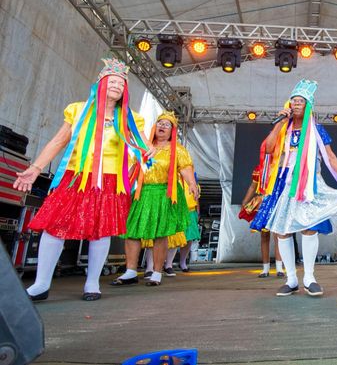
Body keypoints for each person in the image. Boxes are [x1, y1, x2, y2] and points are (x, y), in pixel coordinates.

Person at [13, 58, 151, 301]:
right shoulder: (77, 110)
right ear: (100, 83)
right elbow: (58, 141)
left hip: (110, 181)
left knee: (101, 230)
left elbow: (143, 145)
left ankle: (92, 283)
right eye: (113, 81)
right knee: (55, 225)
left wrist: (147, 150)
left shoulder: (131, 118)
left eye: (122, 83)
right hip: (75, 177)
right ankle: (41, 284)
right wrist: (35, 168)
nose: (118, 86)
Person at [250, 79, 337, 297]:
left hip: (309, 182)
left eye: (301, 101)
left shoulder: (317, 129)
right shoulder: (284, 128)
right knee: (282, 230)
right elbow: (269, 149)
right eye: (293, 101)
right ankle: (291, 280)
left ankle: (309, 278)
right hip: (283, 182)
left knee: (309, 227)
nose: (296, 104)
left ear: (309, 105)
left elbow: (330, 156)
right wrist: (281, 122)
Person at [111, 111, 198, 287]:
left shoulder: (178, 150)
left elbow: (186, 168)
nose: (162, 126)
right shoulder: (144, 146)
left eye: (167, 124)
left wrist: (191, 183)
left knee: (160, 234)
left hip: (164, 194)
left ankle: (157, 272)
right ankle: (130, 271)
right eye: (160, 123)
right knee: (132, 231)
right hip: (142, 193)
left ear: (172, 130)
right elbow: (134, 168)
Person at [239, 143, 284, 278]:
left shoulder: (281, 168)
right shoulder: (259, 169)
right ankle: (265, 269)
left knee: (278, 235)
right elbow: (253, 187)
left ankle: (279, 268)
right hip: (262, 204)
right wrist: (245, 201)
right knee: (264, 236)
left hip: (276, 203)